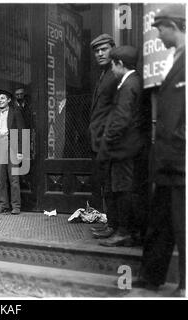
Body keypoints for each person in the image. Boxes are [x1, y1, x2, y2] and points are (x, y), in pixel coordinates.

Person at [134, 4, 185, 296]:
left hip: (181, 159)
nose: (158, 34)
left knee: (182, 224)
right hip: (166, 158)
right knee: (160, 220)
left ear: (175, 26)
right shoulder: (173, 58)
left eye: (161, 28)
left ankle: (185, 284)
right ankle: (151, 275)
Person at [96, 46, 145, 247]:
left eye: (113, 66)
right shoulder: (133, 82)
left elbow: (121, 119)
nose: (112, 70)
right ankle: (122, 230)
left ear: (120, 64)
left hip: (124, 149)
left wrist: (107, 141)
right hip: (128, 148)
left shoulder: (128, 85)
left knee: (123, 189)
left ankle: (124, 232)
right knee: (122, 189)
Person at [87, 34, 120, 239]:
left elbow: (117, 110)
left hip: (109, 141)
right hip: (99, 140)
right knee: (106, 184)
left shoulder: (115, 75)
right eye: (97, 51)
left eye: (104, 49)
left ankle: (116, 227)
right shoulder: (103, 74)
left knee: (113, 185)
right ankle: (112, 223)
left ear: (113, 50)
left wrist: (107, 136)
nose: (100, 53)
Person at [0, 89, 24, 215]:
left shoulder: (16, 113)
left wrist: (20, 151)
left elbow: (21, 132)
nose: (0, 101)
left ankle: (16, 206)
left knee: (13, 178)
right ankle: (3, 204)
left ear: (8, 100)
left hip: (12, 147)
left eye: (3, 98)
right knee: (0, 178)